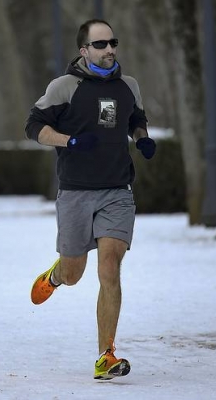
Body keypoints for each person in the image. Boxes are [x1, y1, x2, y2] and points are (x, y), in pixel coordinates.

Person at [25, 19, 156, 381]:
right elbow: (34, 127)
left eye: (112, 42)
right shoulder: (64, 87)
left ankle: (106, 355)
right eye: (100, 44)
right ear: (84, 50)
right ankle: (56, 275)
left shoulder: (128, 86)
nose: (109, 49)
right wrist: (70, 141)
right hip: (76, 192)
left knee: (110, 267)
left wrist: (142, 137)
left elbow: (136, 119)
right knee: (74, 273)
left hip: (117, 191)